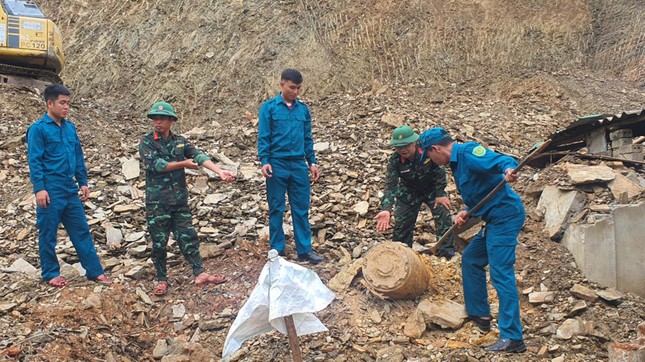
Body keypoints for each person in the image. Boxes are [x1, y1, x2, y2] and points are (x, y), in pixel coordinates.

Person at [420, 127, 526, 353]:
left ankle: (513, 338)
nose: (431, 160)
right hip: (491, 218)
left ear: (436, 149)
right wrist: (467, 211)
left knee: (500, 273)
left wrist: (508, 169)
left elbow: (500, 160)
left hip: (505, 217)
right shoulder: (456, 165)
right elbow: (481, 191)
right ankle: (480, 314)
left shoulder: (468, 153)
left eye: (429, 155)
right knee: (471, 259)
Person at [139, 101, 235, 296]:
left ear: (171, 121)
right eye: (155, 119)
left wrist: (219, 171)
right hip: (158, 202)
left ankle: (199, 272)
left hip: (179, 200)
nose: (158, 122)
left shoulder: (180, 141)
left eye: (162, 119)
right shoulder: (147, 142)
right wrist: (183, 163)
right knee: (159, 242)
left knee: (188, 236)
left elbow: (198, 156)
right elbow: (157, 165)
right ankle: (161, 278)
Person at [27, 84, 112, 287]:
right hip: (51, 189)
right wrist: (39, 188)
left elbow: (78, 157)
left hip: (69, 188)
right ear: (50, 103)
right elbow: (35, 161)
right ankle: (50, 273)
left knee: (81, 230)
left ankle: (95, 271)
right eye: (62, 103)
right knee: (48, 232)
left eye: (68, 103)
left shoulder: (70, 128)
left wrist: (83, 182)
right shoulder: (38, 129)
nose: (66, 107)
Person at [257, 68, 324, 264]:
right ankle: (277, 249)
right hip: (277, 163)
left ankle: (305, 250)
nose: (295, 92)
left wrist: (312, 162)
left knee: (301, 208)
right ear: (282, 85)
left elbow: (307, 138)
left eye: (298, 88)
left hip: (298, 165)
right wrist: (265, 161)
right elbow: (264, 137)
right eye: (292, 87)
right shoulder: (269, 108)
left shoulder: (303, 110)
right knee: (276, 207)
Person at [374, 125, 455, 259]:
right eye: (398, 147)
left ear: (414, 142)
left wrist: (440, 193)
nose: (402, 150)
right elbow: (390, 185)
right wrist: (386, 208)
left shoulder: (427, 151)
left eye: (406, 145)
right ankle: (402, 255)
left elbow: (439, 172)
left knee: (443, 213)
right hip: (408, 192)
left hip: (432, 189)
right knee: (402, 224)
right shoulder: (395, 161)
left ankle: (446, 251)